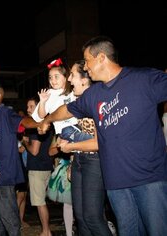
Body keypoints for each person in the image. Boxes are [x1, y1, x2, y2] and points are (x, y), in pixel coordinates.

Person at [39, 36, 167, 236]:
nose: (86, 67)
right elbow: (67, 110)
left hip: (149, 180)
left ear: (100, 58)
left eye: (87, 60)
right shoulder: (94, 94)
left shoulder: (143, 78)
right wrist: (47, 120)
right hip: (116, 183)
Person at [57, 60, 113, 236]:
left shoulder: (97, 100)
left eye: (73, 75)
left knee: (93, 218)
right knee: (80, 218)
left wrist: (69, 147)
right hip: (80, 161)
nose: (70, 80)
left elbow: (98, 142)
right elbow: (81, 132)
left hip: (95, 162)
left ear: (84, 80)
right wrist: (73, 159)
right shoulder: (80, 101)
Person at [0, 86, 41, 235]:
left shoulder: (5, 113)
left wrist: (39, 123)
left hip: (4, 175)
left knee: (9, 218)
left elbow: (23, 122)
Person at [21, 97, 54, 236]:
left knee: (39, 202)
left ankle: (46, 231)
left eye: (31, 106)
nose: (28, 109)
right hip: (47, 165)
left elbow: (34, 151)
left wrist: (24, 143)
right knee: (42, 201)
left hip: (37, 168)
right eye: (27, 106)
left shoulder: (36, 126)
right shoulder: (48, 124)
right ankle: (46, 230)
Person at [32, 58, 78, 140]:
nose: (52, 80)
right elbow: (40, 116)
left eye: (56, 77)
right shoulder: (50, 93)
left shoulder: (75, 90)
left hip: (79, 128)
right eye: (50, 77)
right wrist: (42, 102)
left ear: (66, 76)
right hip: (63, 133)